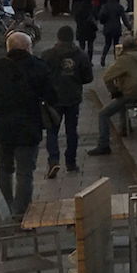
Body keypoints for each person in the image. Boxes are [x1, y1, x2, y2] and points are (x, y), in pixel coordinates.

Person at [0, 31, 55, 219]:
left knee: (4, 169)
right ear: (27, 48)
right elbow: (52, 95)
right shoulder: (39, 67)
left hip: (3, 127)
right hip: (29, 126)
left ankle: (5, 210)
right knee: (25, 172)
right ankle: (21, 213)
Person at [88, 31, 137, 157]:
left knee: (103, 114)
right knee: (123, 99)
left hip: (131, 94)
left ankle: (103, 145)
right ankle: (124, 127)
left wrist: (114, 91)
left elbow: (107, 76)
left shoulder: (125, 59)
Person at [41, 25, 93, 178]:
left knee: (52, 131)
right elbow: (88, 77)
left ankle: (54, 160)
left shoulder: (47, 55)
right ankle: (71, 162)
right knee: (71, 131)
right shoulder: (81, 55)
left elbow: (41, 75)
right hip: (73, 98)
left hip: (53, 99)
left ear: (58, 37)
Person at [97, 0, 125, 65]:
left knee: (107, 44)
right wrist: (129, 27)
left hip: (107, 28)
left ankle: (103, 57)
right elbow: (124, 19)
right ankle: (116, 59)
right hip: (116, 28)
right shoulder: (119, 7)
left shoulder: (105, 6)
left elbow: (101, 16)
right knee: (116, 44)